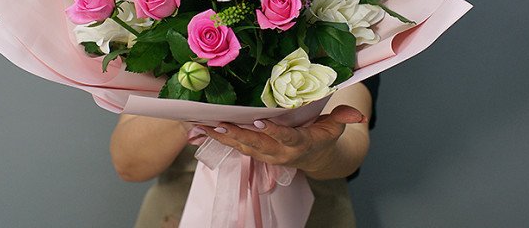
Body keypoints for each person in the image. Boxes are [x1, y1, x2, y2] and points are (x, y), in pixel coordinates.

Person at [110, 78, 379, 228]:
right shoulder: (158, 9)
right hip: (175, 216)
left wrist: (312, 152)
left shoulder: (350, 8)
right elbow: (128, 164)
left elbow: (352, 139)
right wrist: (191, 97)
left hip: (315, 217)